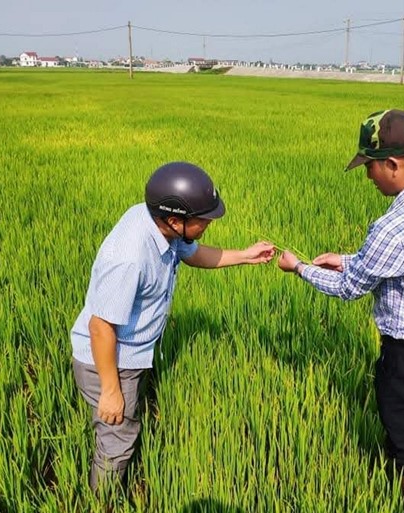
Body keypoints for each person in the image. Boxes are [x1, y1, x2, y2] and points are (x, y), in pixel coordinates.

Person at [278, 109, 404, 501]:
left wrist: (299, 267)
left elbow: (350, 289)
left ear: (392, 164)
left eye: (369, 166)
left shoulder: (392, 228)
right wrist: (349, 259)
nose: (367, 176)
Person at [70, 161, 275, 493]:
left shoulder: (158, 223)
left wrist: (246, 256)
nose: (209, 222)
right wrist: (110, 390)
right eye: (202, 219)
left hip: (132, 352)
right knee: (118, 437)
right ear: (175, 220)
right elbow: (100, 326)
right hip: (108, 359)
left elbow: (191, 253)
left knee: (125, 421)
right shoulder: (129, 256)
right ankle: (101, 501)